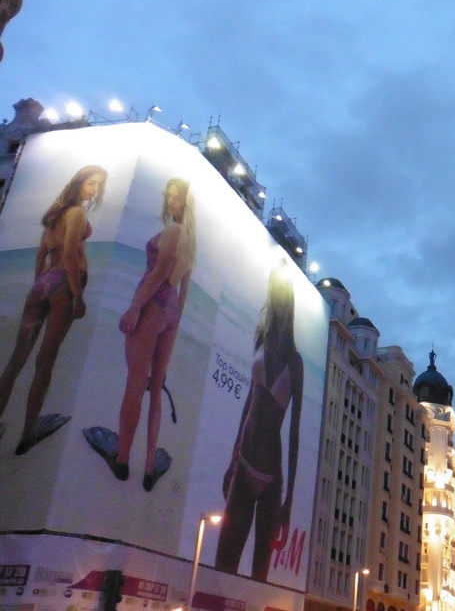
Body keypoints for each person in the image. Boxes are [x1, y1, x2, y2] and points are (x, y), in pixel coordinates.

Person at [84, 178, 196, 491]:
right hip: (170, 308)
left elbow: (159, 272)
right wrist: (173, 319)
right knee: (156, 389)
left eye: (176, 197)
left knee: (135, 384)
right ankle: (148, 469)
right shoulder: (191, 241)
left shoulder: (173, 231)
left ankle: (121, 461)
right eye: (169, 196)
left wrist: (135, 308)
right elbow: (183, 290)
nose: (170, 201)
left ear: (186, 203)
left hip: (153, 302)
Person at [0, 165, 107, 453]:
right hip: (64, 284)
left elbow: (41, 253)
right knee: (45, 362)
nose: (94, 190)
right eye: (91, 183)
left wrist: (39, 286)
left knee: (16, 360)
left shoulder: (54, 214)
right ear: (79, 182)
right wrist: (77, 294)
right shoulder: (77, 213)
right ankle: (26, 435)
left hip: (45, 281)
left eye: (97, 185)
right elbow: (71, 253)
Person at [215, 260, 303, 582]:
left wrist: (290, 498)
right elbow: (249, 402)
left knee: (258, 580)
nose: (278, 300)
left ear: (289, 302)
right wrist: (231, 458)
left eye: (283, 295)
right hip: (244, 461)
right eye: (274, 293)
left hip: (270, 474)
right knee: (222, 566)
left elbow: (294, 432)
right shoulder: (260, 340)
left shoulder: (295, 362)